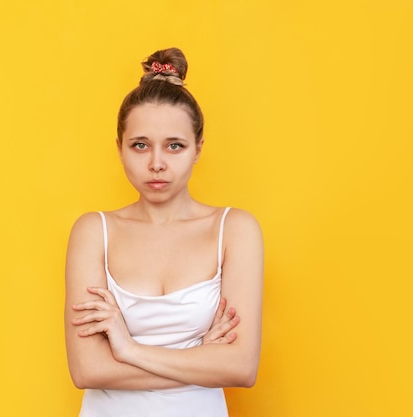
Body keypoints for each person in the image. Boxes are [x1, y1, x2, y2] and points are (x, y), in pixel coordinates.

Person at [64, 47, 264, 417]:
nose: (157, 164)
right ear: (119, 149)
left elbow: (241, 368)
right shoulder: (94, 232)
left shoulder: (234, 230)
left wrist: (128, 350)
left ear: (198, 149)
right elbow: (87, 370)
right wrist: (200, 359)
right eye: (140, 145)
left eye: (175, 146)